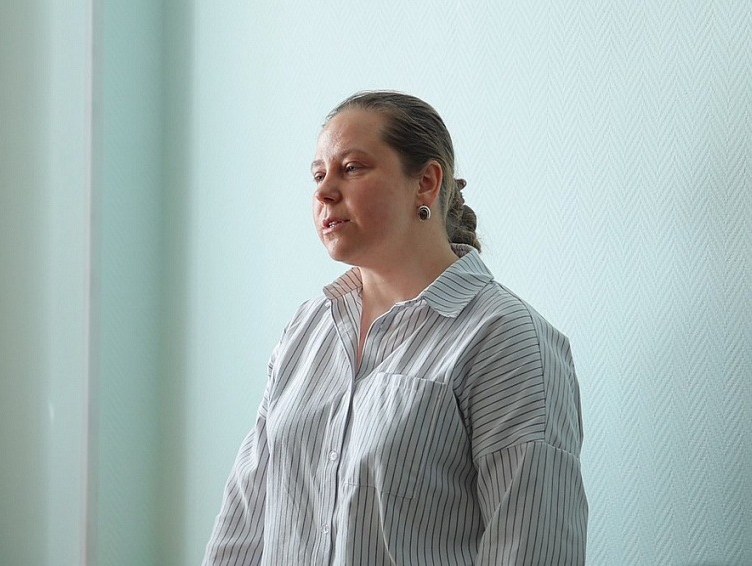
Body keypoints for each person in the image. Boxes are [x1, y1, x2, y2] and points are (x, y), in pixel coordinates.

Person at [202, 91, 588, 565]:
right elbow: (244, 523)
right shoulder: (306, 330)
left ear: (426, 183)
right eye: (318, 175)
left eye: (352, 168)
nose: (324, 192)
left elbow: (532, 549)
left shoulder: (505, 339)